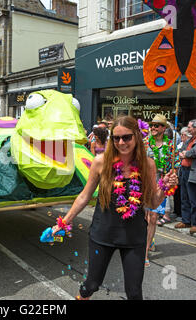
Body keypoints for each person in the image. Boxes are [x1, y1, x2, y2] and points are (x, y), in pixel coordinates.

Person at [52, 116, 178, 300]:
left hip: (134, 235)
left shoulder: (147, 164)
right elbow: (84, 196)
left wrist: (165, 188)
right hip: (103, 232)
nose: (121, 142)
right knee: (91, 285)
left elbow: (152, 203)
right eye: (116, 138)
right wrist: (63, 223)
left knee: (135, 293)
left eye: (126, 137)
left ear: (136, 136)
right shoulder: (101, 161)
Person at [143, 114, 180, 267]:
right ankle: (149, 241)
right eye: (152, 125)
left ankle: (144, 252)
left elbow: (176, 164)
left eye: (157, 125)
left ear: (164, 128)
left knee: (153, 217)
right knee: (145, 217)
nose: (153, 128)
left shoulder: (171, 145)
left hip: (161, 182)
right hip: (145, 181)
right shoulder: (145, 143)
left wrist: (171, 178)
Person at [176, 119, 196, 234]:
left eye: (189, 127)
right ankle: (186, 220)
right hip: (184, 171)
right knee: (184, 197)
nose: (188, 129)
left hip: (194, 172)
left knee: (193, 199)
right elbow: (180, 149)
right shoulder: (190, 139)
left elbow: (195, 153)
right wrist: (184, 153)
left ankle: (195, 223)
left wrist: (185, 153)